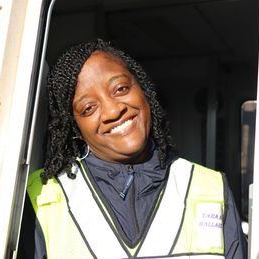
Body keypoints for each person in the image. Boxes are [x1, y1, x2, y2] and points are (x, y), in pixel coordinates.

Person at [17, 39, 246, 259]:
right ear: (75, 127)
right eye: (88, 108)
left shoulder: (211, 188)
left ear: (144, 89)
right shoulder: (41, 197)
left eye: (120, 89)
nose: (112, 111)